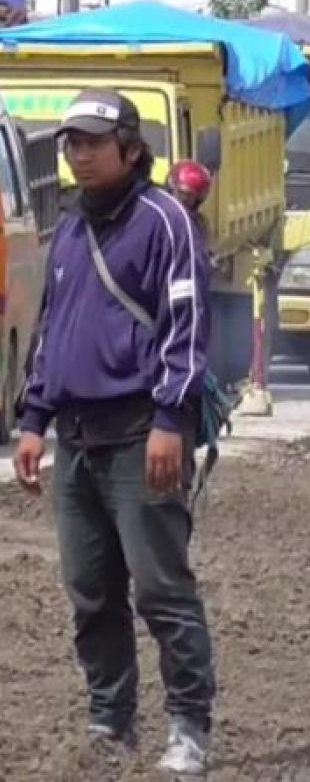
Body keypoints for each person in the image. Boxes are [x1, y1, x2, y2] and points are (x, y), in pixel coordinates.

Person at [12, 89, 215, 775]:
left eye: (93, 142)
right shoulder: (69, 228)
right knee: (91, 592)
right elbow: (51, 330)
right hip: (75, 440)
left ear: (130, 147)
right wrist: (33, 419)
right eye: (72, 142)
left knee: (161, 588)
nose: (79, 154)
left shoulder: (167, 222)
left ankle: (189, 726)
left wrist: (169, 419)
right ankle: (111, 723)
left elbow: (187, 330)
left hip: (140, 435)